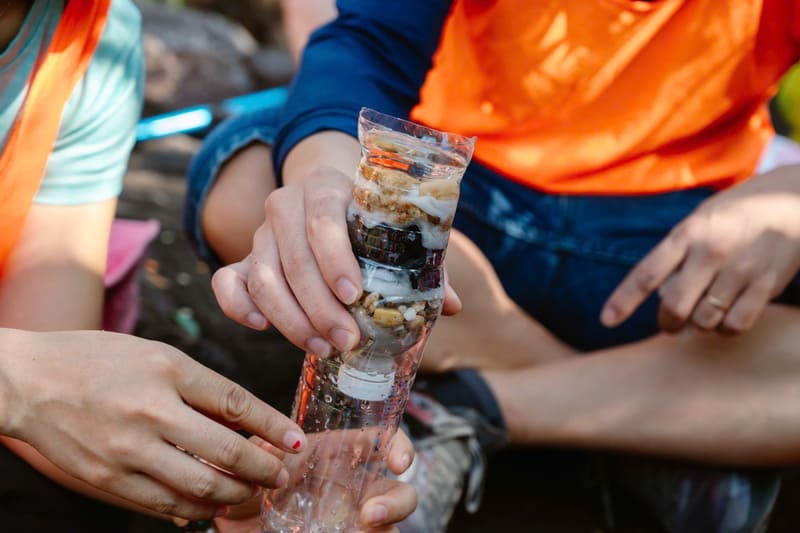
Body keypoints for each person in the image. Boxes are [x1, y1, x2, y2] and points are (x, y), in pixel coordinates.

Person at [186, 0, 800, 531]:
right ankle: (654, 418)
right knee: (245, 174)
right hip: (452, 226)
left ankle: (474, 403)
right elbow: (367, 42)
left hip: (669, 254)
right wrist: (323, 184)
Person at [0, 1, 415, 531]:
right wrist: (19, 382)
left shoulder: (89, 35)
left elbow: (50, 376)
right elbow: (38, 384)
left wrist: (228, 485)